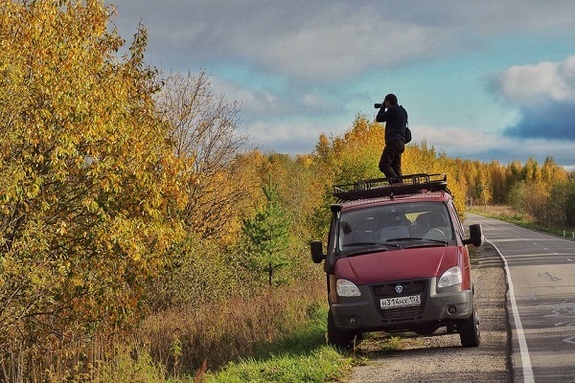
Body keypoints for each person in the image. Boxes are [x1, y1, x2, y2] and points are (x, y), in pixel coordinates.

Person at [376, 93, 408, 182]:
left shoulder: (393, 110)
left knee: (384, 164)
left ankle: (396, 184)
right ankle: (401, 187)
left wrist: (382, 107)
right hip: (401, 143)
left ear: (388, 101)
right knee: (396, 168)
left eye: (385, 102)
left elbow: (379, 118)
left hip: (394, 142)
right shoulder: (403, 111)